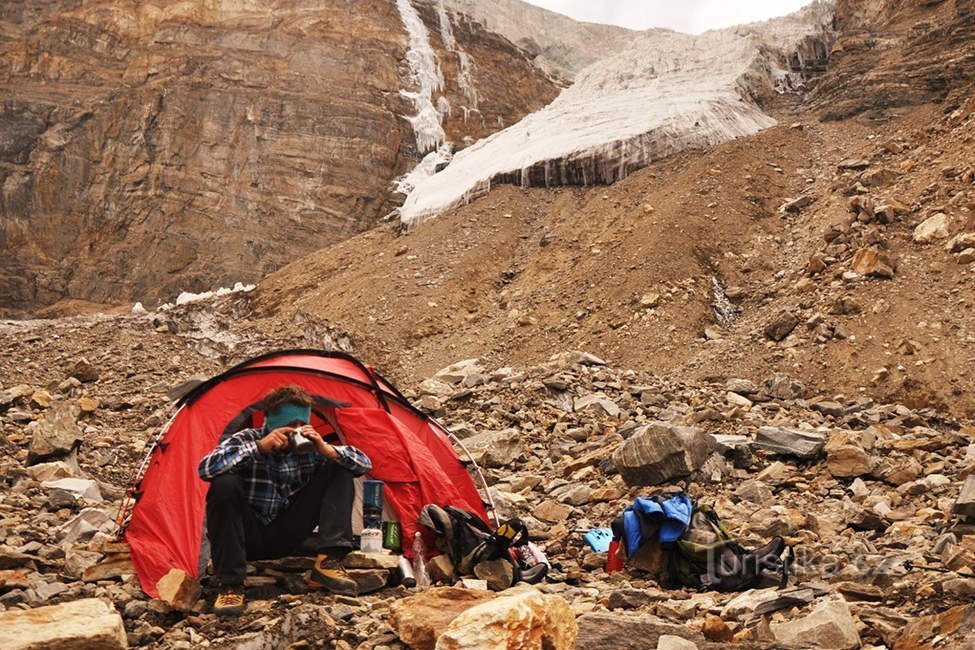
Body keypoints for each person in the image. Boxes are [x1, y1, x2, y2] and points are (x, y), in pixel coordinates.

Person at [198, 385, 372, 616]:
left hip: (287, 533)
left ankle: (329, 562)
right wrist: (259, 448)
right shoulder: (248, 438)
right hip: (245, 538)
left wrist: (327, 449)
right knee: (224, 484)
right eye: (290, 426)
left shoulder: (309, 447)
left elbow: (365, 464)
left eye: (302, 425)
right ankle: (230, 584)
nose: (296, 431)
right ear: (271, 421)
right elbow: (206, 468)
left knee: (338, 468)